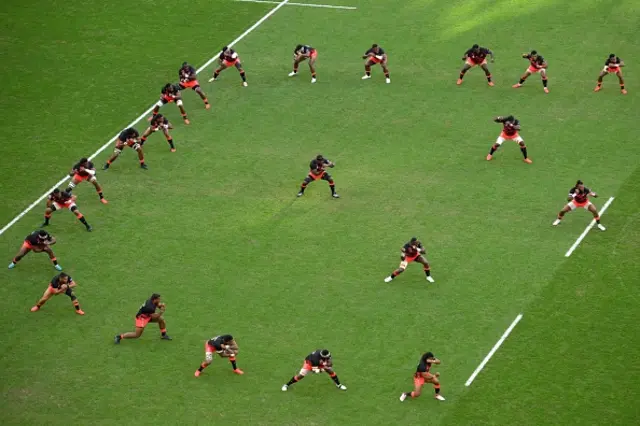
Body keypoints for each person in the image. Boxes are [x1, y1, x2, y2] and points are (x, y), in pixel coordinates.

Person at [281, 349, 347, 392]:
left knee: (330, 371)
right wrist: (322, 369)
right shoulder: (314, 360)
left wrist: (327, 365)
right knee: (301, 375)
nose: (328, 358)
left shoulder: (326, 354)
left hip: (319, 363)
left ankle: (339, 385)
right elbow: (314, 370)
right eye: (326, 358)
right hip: (309, 363)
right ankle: (286, 385)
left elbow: (330, 364)